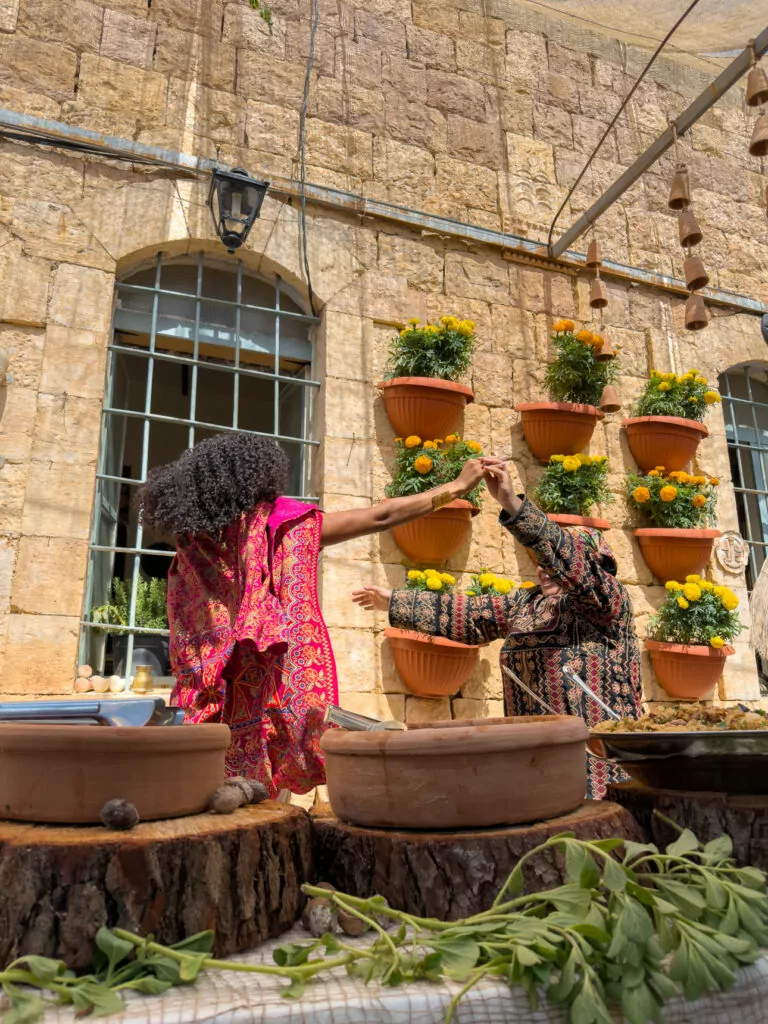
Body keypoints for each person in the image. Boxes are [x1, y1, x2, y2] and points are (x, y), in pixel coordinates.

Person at [138, 431, 484, 798]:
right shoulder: (284, 525)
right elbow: (381, 515)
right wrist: (457, 486)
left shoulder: (193, 552)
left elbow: (191, 633)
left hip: (218, 715)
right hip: (276, 702)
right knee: (269, 810)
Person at [353, 456, 642, 799]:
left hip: (600, 767)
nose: (545, 570)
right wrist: (394, 602)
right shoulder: (527, 603)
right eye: (541, 564)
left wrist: (510, 502)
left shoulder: (606, 601)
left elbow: (571, 565)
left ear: (594, 566)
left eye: (553, 563)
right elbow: (469, 613)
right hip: (535, 762)